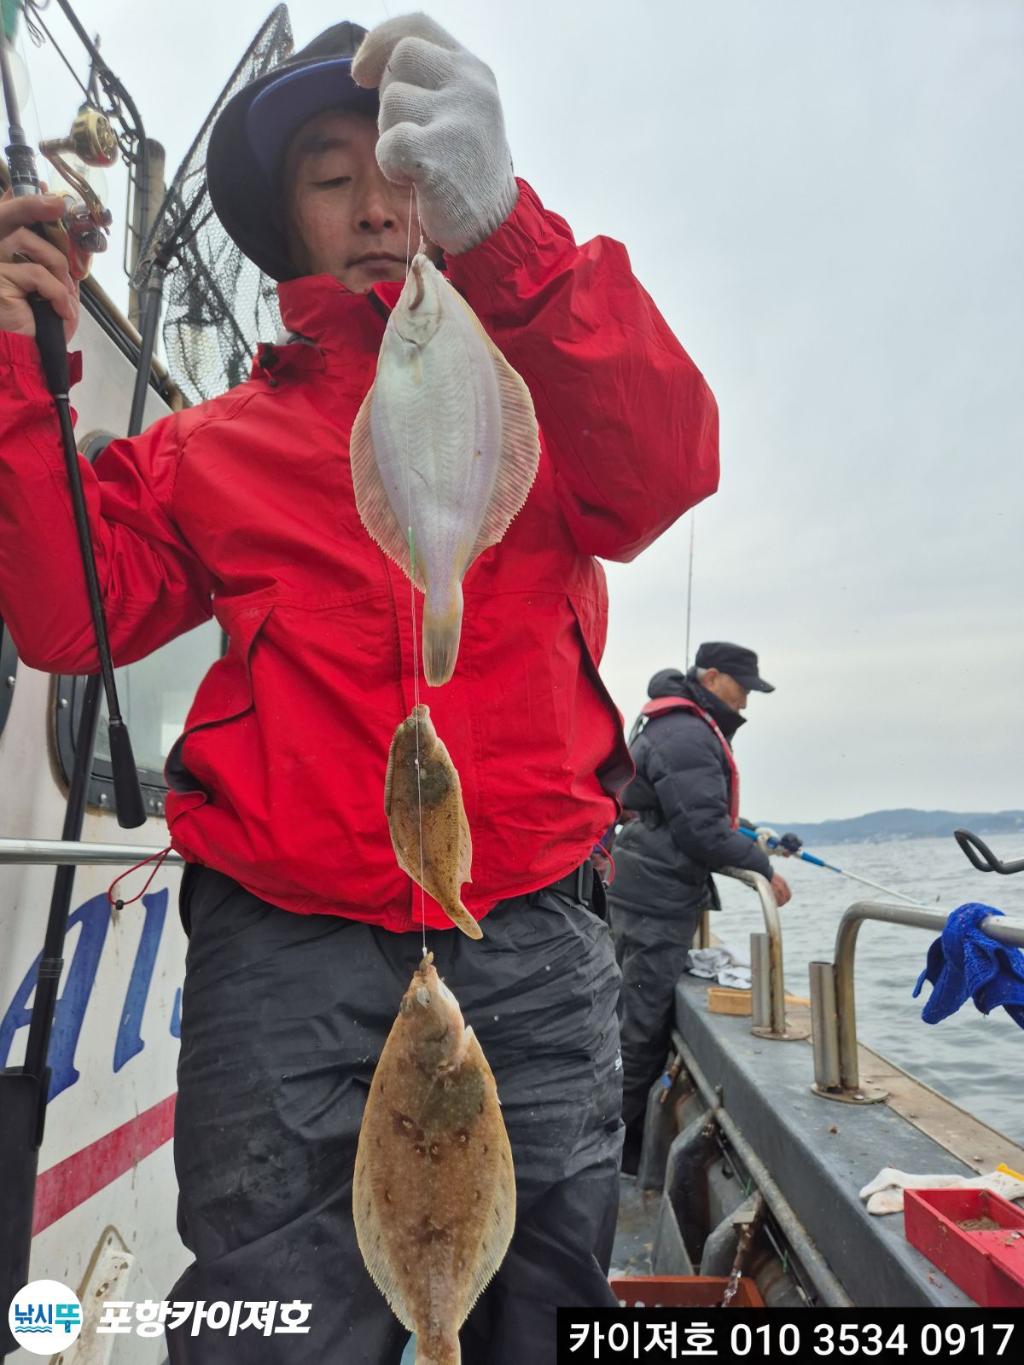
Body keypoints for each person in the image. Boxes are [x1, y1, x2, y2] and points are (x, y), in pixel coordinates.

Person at [0, 15, 718, 1363]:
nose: (380, 207)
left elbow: (668, 461)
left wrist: (509, 232)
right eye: (334, 179)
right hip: (285, 957)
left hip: (533, 938)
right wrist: (12, 365)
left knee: (542, 1300)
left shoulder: (542, 393)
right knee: (265, 1317)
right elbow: (64, 608)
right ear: (291, 225)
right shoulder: (212, 445)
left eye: (409, 175)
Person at [608, 642, 791, 1164]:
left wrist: (753, 835)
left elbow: (685, 807)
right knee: (638, 1030)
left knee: (627, 1020)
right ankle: (619, 1155)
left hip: (639, 885)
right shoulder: (688, 734)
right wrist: (762, 867)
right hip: (656, 899)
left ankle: (614, 1143)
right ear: (712, 678)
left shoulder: (673, 726)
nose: (747, 703)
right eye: (743, 688)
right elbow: (703, 833)